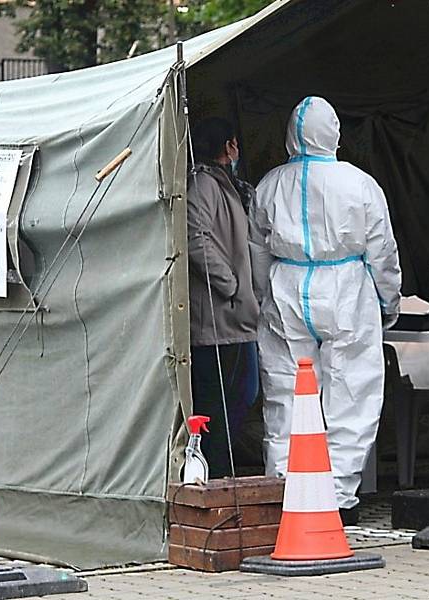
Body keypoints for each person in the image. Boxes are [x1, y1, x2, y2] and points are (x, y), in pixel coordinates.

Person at [249, 97, 401, 525]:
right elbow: (382, 253)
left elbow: (256, 250)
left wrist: (266, 297)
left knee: (284, 396)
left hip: (287, 288)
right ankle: (336, 498)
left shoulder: (269, 184)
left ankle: (282, 492)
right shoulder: (360, 184)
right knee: (350, 394)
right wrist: (388, 301)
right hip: (347, 289)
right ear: (334, 132)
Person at [187, 117, 260, 479]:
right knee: (221, 402)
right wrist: (228, 284)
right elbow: (195, 237)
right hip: (218, 317)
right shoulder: (204, 183)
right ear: (229, 146)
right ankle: (214, 478)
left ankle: (221, 474)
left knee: (242, 394)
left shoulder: (223, 184)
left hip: (235, 315)